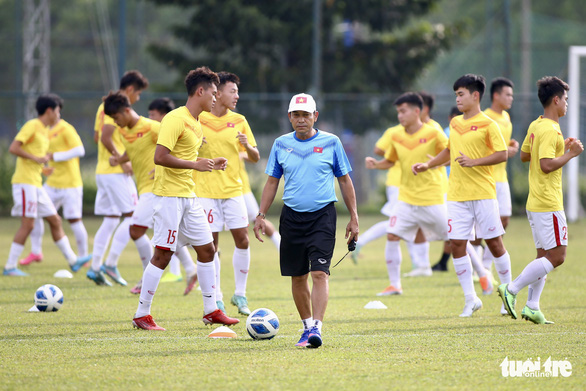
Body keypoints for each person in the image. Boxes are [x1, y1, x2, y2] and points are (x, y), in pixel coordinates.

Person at [132, 66, 239, 330]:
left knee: (207, 250)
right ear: (200, 91)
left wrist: (210, 162)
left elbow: (188, 158)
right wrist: (196, 166)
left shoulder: (196, 122)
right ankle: (141, 314)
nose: (216, 98)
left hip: (188, 197)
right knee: (163, 255)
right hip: (169, 198)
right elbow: (160, 157)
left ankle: (211, 310)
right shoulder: (175, 118)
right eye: (213, 93)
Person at [253, 93, 359, 348]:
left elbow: (344, 180)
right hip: (291, 217)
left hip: (322, 216)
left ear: (315, 116)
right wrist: (260, 215)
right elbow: (271, 182)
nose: (301, 119)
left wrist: (354, 217)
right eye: (296, 115)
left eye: (306, 115)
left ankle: (317, 330)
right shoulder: (280, 144)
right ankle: (306, 326)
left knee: (319, 273)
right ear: (290, 117)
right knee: (298, 277)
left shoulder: (332, 142)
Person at [413, 74, 513, 317]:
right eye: (456, 94)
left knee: (494, 243)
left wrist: (474, 162)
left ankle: (509, 292)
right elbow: (449, 150)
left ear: (475, 95)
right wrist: (429, 165)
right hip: (456, 195)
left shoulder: (490, 124)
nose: (457, 98)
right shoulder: (456, 123)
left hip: (483, 194)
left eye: (461, 94)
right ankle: (471, 299)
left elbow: (502, 154)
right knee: (457, 244)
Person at [499, 76, 583, 324]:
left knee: (543, 256)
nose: (566, 104)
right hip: (548, 202)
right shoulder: (549, 129)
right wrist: (570, 154)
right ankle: (511, 289)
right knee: (557, 257)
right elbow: (546, 166)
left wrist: (560, 149)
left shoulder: (537, 125)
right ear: (555, 100)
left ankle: (532, 306)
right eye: (565, 99)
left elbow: (525, 155)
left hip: (535, 202)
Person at [103, 92, 198, 295]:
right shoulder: (124, 131)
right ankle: (191, 270)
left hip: (155, 188)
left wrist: (162, 168)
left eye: (117, 118)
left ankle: (148, 274)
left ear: (127, 110)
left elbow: (173, 147)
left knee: (136, 230)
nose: (116, 123)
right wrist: (120, 160)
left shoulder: (152, 126)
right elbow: (132, 148)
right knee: (170, 234)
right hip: (145, 189)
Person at [365, 93, 449, 296]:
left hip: (432, 197)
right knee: (393, 235)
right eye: (398, 112)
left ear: (417, 111)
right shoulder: (396, 135)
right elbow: (391, 160)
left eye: (403, 111)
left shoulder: (434, 132)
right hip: (406, 197)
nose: (400, 116)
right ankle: (395, 284)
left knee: (456, 239)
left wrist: (431, 163)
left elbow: (451, 154)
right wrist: (377, 165)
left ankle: (482, 274)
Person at [194, 72, 260, 316]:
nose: (237, 96)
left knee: (243, 240)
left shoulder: (240, 120)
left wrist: (248, 145)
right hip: (205, 191)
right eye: (233, 91)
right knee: (211, 246)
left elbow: (255, 157)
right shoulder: (199, 119)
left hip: (233, 190)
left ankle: (240, 295)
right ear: (218, 93)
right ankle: (218, 298)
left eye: (237, 91)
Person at [3, 94, 90, 276]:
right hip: (25, 183)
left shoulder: (44, 130)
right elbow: (14, 148)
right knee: (28, 225)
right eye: (58, 111)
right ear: (49, 111)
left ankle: (73, 261)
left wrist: (43, 169)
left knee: (55, 220)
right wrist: (36, 159)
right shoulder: (32, 126)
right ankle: (10, 266)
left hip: (36, 183)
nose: (59, 115)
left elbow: (35, 156)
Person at [89, 70, 148, 286]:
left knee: (110, 220)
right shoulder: (115, 108)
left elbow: (97, 137)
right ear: (130, 89)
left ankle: (95, 268)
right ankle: (111, 263)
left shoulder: (102, 107)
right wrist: (122, 160)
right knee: (134, 216)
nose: (137, 98)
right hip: (115, 173)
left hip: (102, 171)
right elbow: (105, 137)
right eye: (138, 94)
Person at [480, 78, 519, 272]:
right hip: (486, 178)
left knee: (503, 220)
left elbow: (500, 142)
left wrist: (510, 145)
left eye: (512, 95)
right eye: (508, 94)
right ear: (496, 95)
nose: (511, 98)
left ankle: (485, 266)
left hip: (501, 177)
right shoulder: (485, 118)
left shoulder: (506, 117)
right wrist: (505, 150)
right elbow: (480, 147)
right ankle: (477, 266)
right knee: (482, 228)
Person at [431, 106, 462, 272]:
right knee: (452, 229)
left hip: (459, 187)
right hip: (449, 186)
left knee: (454, 230)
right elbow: (449, 156)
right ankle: (443, 262)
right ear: (451, 118)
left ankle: (481, 265)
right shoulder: (447, 133)